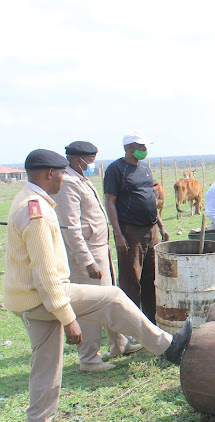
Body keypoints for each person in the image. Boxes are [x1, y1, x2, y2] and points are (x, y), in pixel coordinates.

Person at [3, 149, 192, 422]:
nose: (63, 179)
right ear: (50, 173)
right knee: (113, 297)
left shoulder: (26, 200)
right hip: (44, 295)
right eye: (61, 173)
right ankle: (167, 347)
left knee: (46, 363)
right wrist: (68, 319)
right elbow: (45, 275)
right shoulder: (36, 211)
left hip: (26, 299)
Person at [51, 141, 142, 372]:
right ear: (77, 159)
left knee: (108, 298)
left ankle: (119, 344)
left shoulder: (81, 178)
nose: (93, 164)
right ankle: (89, 358)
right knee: (90, 306)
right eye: (90, 160)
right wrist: (87, 261)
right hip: (88, 255)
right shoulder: (68, 184)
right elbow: (71, 228)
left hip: (99, 249)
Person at [103, 131, 169, 324]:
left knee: (151, 277)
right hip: (130, 231)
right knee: (131, 278)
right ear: (129, 148)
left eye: (145, 147)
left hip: (151, 230)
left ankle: (150, 321)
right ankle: (131, 324)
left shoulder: (144, 169)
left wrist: (161, 226)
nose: (145, 150)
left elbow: (150, 198)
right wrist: (118, 234)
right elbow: (110, 202)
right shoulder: (116, 169)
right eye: (141, 147)